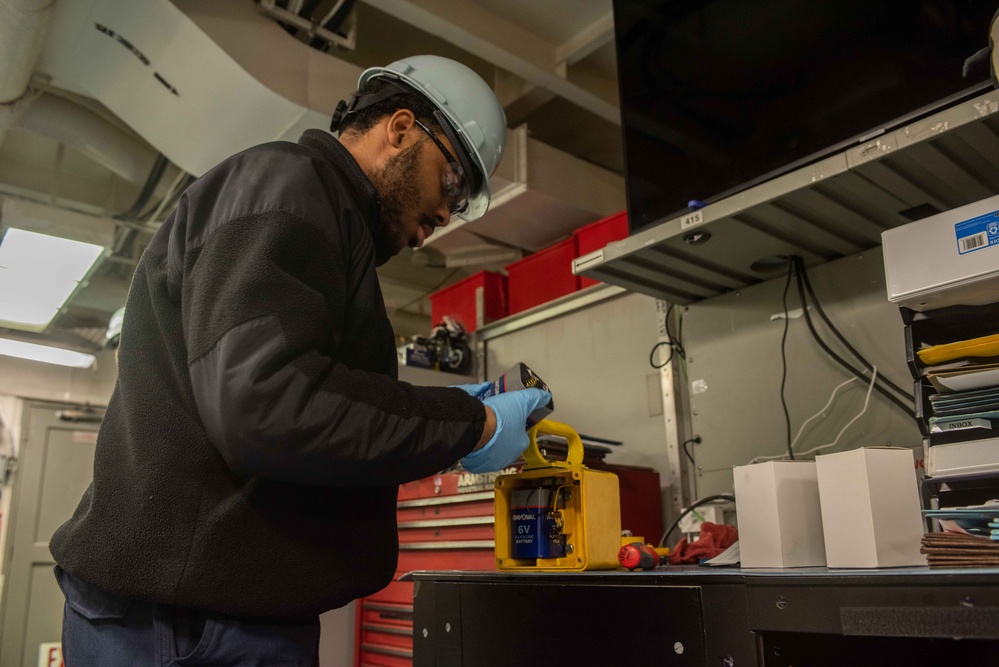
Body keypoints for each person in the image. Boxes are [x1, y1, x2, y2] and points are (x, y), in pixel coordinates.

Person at [50, 55, 551, 666]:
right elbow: (265, 403)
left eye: (465, 203)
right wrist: (472, 425)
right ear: (399, 129)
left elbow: (295, 392)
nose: (448, 214)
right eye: (452, 184)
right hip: (180, 623)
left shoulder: (326, 221)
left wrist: (453, 417)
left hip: (211, 608)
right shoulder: (291, 187)